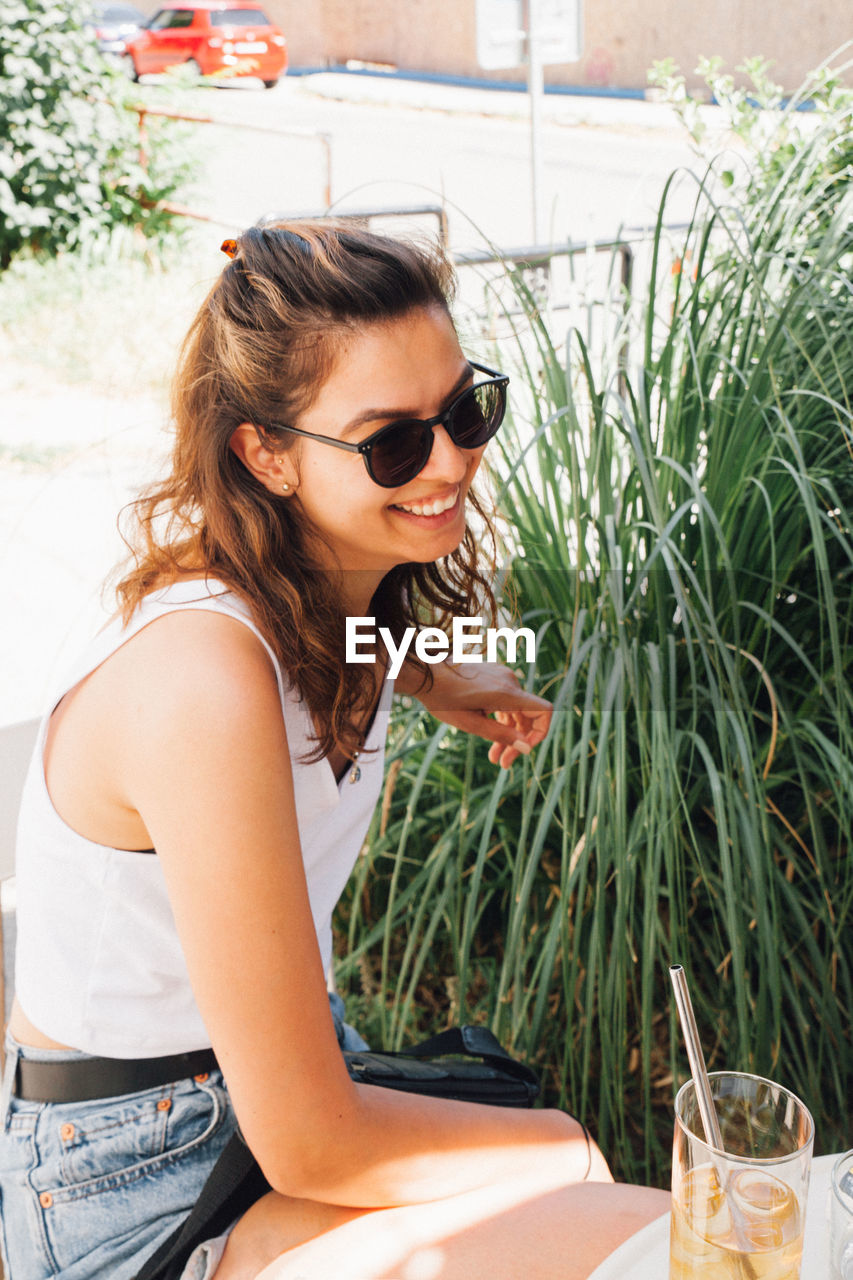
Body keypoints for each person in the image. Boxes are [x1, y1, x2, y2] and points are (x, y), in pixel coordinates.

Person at [0, 222, 668, 1280]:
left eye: (465, 409)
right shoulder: (202, 680)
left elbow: (319, 642)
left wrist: (441, 674)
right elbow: (309, 1139)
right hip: (133, 1178)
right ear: (266, 452)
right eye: (393, 443)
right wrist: (566, 1145)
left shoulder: (323, 603)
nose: (450, 459)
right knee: (604, 1195)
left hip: (266, 1087)